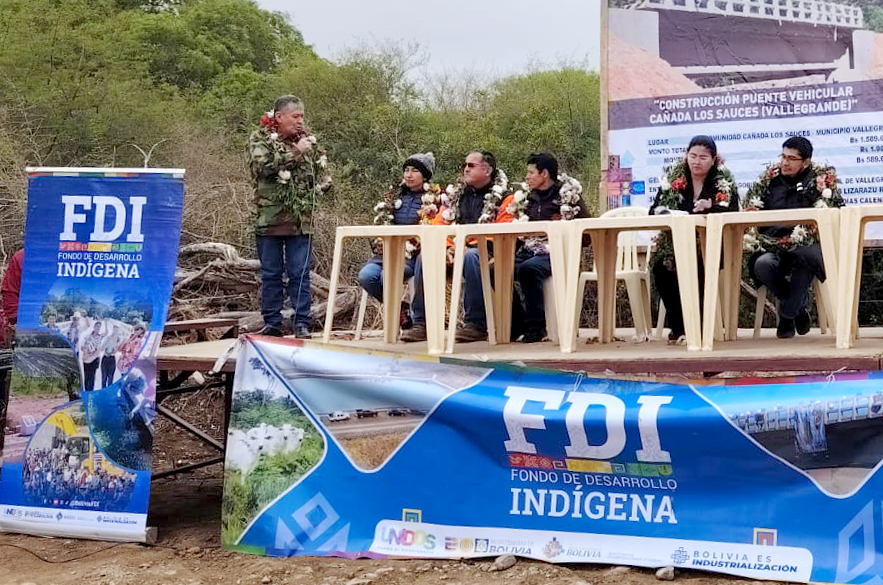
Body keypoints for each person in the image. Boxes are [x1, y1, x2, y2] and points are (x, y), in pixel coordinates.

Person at [248, 95, 331, 338]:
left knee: (300, 273)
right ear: (279, 116)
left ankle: (302, 322)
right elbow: (262, 167)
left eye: (302, 116)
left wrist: (322, 186)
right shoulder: (260, 138)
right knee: (271, 274)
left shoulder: (308, 141)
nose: (300, 121)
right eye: (295, 116)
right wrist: (296, 152)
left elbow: (319, 174)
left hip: (299, 222)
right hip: (269, 219)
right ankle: (272, 323)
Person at [744, 136, 844, 339]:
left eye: (791, 158)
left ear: (805, 162)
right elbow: (751, 212)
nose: (784, 162)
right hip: (772, 246)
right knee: (762, 264)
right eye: (783, 156)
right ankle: (797, 308)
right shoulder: (769, 181)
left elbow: (835, 213)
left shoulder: (819, 182)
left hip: (806, 245)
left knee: (805, 256)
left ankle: (787, 315)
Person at [650, 135, 739, 343]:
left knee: (698, 267)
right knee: (661, 268)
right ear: (686, 156)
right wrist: (664, 211)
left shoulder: (721, 180)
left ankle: (699, 327)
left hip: (712, 247)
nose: (697, 161)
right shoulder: (675, 177)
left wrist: (711, 207)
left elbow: (733, 211)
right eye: (693, 156)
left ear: (713, 160)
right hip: (679, 245)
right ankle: (679, 327)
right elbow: (654, 209)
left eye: (703, 157)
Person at [497, 153, 588, 343]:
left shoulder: (568, 196)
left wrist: (563, 234)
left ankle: (537, 327)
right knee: (495, 269)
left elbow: (586, 232)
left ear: (544, 174)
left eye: (531, 173)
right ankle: (517, 325)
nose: (527, 177)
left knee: (528, 269)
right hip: (528, 250)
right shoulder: (527, 198)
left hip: (556, 252)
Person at [430, 151, 508, 343]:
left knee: (471, 256)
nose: (465, 169)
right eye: (464, 165)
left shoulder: (505, 197)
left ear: (487, 170)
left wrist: (466, 245)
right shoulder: (456, 196)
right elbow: (439, 224)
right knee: (426, 257)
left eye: (471, 165)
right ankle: (421, 324)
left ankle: (476, 325)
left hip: (491, 252)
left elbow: (503, 230)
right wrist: (448, 247)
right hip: (455, 250)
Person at [359, 152, 437, 341]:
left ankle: (417, 322)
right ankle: (401, 309)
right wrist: (378, 242)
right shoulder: (393, 196)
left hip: (412, 257)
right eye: (406, 170)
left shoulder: (435, 199)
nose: (409, 175)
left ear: (425, 176)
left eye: (415, 171)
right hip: (387, 253)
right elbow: (381, 224)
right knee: (366, 276)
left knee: (388, 276)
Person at [0, 248, 23, 348]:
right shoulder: (21, 257)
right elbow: (10, 293)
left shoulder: (71, 256)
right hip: (27, 331)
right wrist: (18, 320)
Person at [80, 321, 103, 391]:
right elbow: (82, 346)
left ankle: (90, 392)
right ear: (94, 327)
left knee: (92, 377)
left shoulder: (100, 338)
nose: (98, 328)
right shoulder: (87, 336)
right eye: (97, 326)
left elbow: (98, 350)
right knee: (86, 376)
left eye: (99, 327)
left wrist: (90, 355)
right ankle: (86, 392)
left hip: (94, 360)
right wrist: (85, 349)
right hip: (86, 360)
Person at [99, 322, 123, 387]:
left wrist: (114, 340)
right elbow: (101, 349)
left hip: (112, 359)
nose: (115, 329)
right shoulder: (108, 337)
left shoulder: (119, 339)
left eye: (117, 328)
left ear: (119, 330)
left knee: (110, 378)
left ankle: (108, 391)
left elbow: (116, 351)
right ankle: (103, 391)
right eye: (114, 328)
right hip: (104, 358)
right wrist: (107, 342)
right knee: (103, 378)